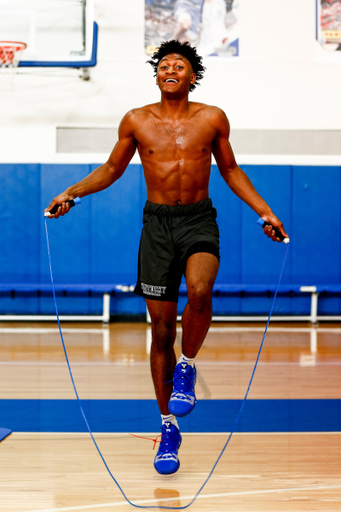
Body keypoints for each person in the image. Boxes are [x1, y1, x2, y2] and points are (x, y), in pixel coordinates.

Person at [45, 39, 288, 476]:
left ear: (192, 76)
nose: (170, 69)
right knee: (160, 332)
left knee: (200, 289)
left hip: (198, 220)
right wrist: (72, 194)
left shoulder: (212, 118)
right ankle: (168, 427)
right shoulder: (136, 120)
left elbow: (230, 170)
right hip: (156, 228)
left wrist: (265, 211)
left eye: (180, 65)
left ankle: (188, 368)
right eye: (164, 65)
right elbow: (111, 169)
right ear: (157, 75)